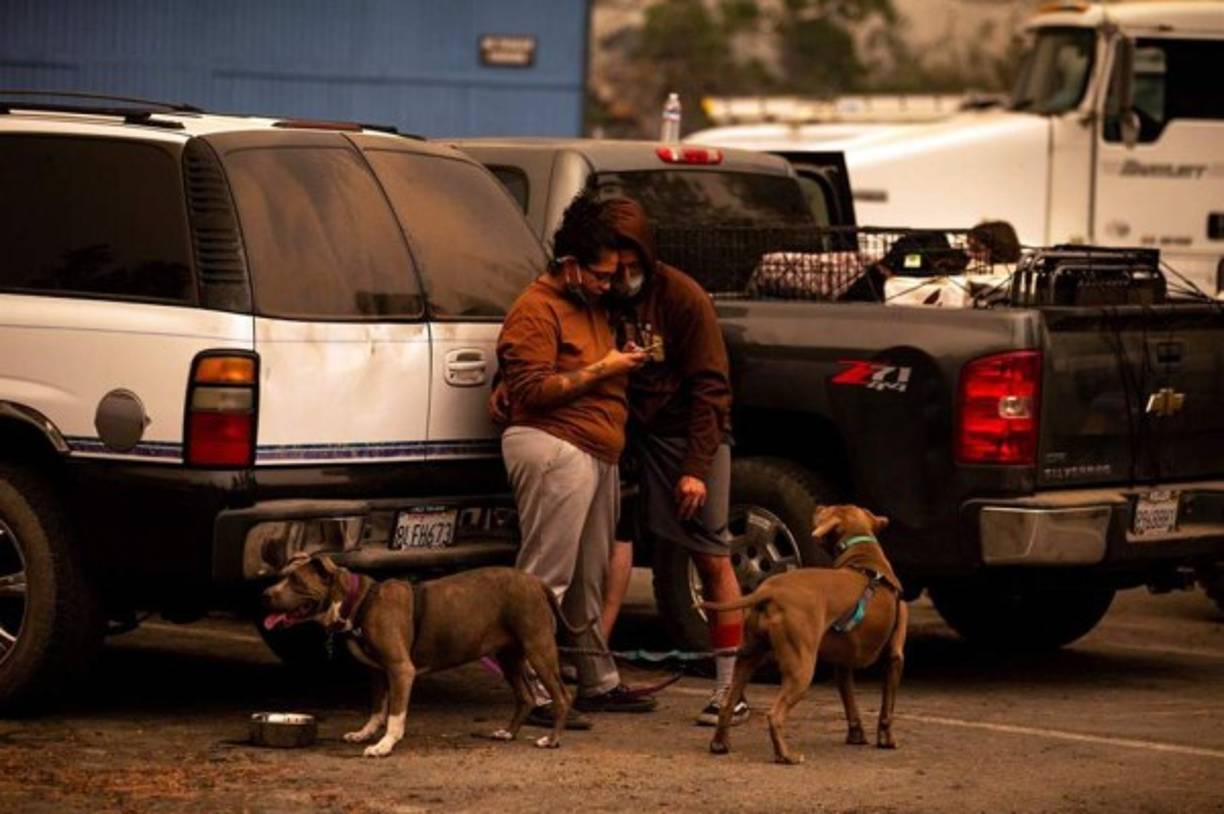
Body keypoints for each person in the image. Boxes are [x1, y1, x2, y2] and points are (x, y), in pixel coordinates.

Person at [493, 191, 657, 727]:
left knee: (588, 578)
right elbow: (531, 392)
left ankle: (597, 681)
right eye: (602, 275)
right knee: (546, 577)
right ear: (569, 265)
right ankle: (536, 692)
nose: (610, 285)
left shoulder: (592, 305)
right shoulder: (535, 309)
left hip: (596, 451)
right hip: (554, 446)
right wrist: (606, 368)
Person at [600, 197, 749, 727]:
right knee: (611, 541)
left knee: (710, 556)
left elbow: (713, 388)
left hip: (688, 434)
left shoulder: (683, 297)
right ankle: (595, 669)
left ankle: (731, 688)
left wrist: (695, 467)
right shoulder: (600, 292)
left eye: (632, 266)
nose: (624, 277)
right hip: (625, 431)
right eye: (615, 267)